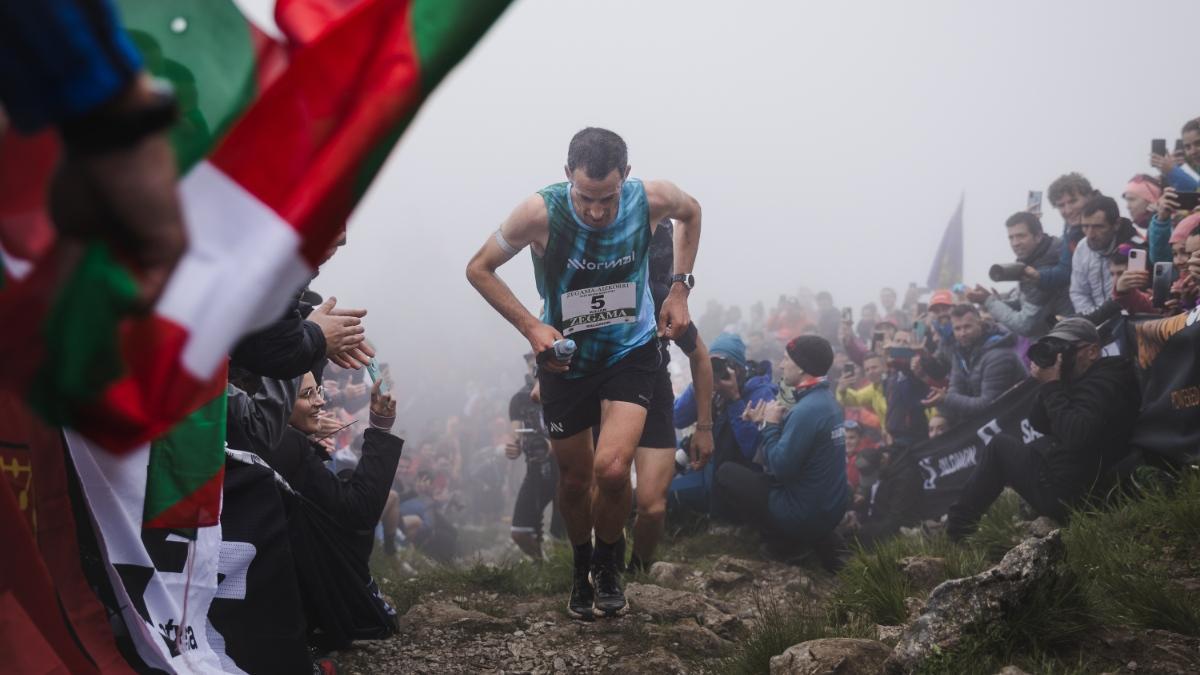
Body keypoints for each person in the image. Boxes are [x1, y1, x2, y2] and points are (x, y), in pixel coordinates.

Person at [465, 127, 702, 619]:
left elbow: (692, 212)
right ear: (567, 175)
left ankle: (610, 563)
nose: (596, 211)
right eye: (586, 197)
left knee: (613, 469)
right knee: (574, 481)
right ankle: (580, 567)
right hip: (565, 361)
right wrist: (532, 327)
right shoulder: (539, 213)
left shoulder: (651, 198)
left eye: (608, 197)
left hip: (630, 353)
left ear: (627, 179)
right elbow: (479, 268)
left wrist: (678, 289)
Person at [946, 318, 1140, 540]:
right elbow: (1039, 422)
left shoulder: (1108, 380)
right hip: (1077, 486)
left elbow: (1076, 435)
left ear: (1092, 351)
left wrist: (1052, 386)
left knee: (1000, 446)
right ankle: (959, 530)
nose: (1060, 358)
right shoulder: (1080, 379)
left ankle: (957, 532)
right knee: (1027, 446)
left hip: (1078, 496)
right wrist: (1050, 382)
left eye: (1065, 350)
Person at [628, 218, 714, 573]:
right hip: (603, 396)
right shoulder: (602, 285)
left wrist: (705, 427)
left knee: (653, 506)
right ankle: (603, 567)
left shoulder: (664, 296)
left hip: (654, 394)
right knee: (609, 489)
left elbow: (700, 356)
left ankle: (638, 570)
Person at [734, 336, 848, 563]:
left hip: (803, 514)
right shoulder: (827, 401)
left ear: (803, 367)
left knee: (728, 474)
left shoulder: (807, 410)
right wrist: (763, 424)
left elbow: (779, 467)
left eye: (786, 359)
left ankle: (784, 543)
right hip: (828, 509)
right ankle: (819, 539)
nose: (781, 365)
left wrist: (770, 425)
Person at [966, 212, 1074, 339]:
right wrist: (995, 301)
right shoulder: (1037, 258)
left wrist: (988, 301)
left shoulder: (1045, 267)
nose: (1015, 243)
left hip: (1066, 341)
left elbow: (1024, 325)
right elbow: (1025, 303)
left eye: (1021, 236)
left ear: (1038, 236)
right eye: (1011, 238)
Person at [921, 305, 1026, 423]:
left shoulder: (999, 355)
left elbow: (989, 405)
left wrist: (945, 399)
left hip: (1014, 421)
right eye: (957, 329)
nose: (962, 333)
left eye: (967, 327)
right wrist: (942, 401)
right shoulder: (960, 353)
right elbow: (956, 391)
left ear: (980, 324)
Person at [505, 355, 565, 560]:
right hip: (537, 469)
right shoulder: (520, 399)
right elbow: (516, 436)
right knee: (519, 532)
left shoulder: (565, 391)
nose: (537, 370)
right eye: (533, 366)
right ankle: (542, 564)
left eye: (541, 365)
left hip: (567, 470)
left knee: (562, 532)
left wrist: (553, 444)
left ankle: (565, 572)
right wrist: (513, 448)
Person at [1070, 194, 1137, 315]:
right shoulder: (1082, 247)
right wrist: (1091, 321)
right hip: (1093, 322)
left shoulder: (1134, 248)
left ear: (1116, 224)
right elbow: (1079, 292)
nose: (1090, 234)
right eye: (1085, 226)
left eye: (1098, 227)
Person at [1032, 173, 1095, 292]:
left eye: (1073, 201)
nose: (1068, 210)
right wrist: (1035, 275)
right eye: (1061, 205)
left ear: (1089, 197)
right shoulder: (1070, 229)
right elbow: (1066, 270)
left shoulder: (1109, 220)